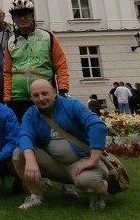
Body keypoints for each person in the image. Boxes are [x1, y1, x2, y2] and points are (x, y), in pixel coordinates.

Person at [13, 79, 110, 211]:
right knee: (19, 154)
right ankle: (36, 195)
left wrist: (93, 160)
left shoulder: (72, 105)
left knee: (87, 182)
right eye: (36, 95)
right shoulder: (31, 113)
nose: (41, 98)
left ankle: (99, 191)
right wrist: (30, 160)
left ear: (54, 92)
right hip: (54, 163)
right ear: (31, 98)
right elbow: (24, 135)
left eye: (45, 93)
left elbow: (97, 126)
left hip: (81, 161)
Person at [3, 0, 70, 121]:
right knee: (23, 133)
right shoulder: (10, 42)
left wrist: (63, 90)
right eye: (18, 16)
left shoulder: (47, 36)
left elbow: (61, 65)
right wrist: (7, 98)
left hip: (43, 96)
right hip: (18, 98)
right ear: (13, 19)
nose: (22, 19)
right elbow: (7, 72)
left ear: (32, 16)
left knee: (47, 133)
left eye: (26, 15)